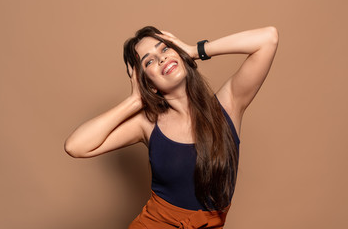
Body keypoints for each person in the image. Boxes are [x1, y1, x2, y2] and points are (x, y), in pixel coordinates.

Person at [64, 25, 279, 228]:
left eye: (165, 48)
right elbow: (76, 146)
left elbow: (268, 38)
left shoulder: (229, 104)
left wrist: (194, 50)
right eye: (149, 62)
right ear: (147, 83)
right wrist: (135, 100)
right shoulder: (147, 124)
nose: (161, 58)